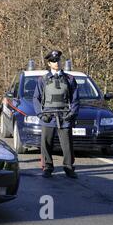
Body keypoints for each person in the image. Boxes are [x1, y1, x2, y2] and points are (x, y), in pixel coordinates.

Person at [33, 50, 80, 179]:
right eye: (53, 61)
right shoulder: (42, 79)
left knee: (67, 144)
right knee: (46, 143)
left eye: (58, 60)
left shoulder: (70, 79)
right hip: (48, 116)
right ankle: (48, 167)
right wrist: (40, 115)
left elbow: (75, 99)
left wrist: (72, 113)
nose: (57, 63)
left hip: (65, 116)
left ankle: (69, 168)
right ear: (49, 63)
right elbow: (36, 98)